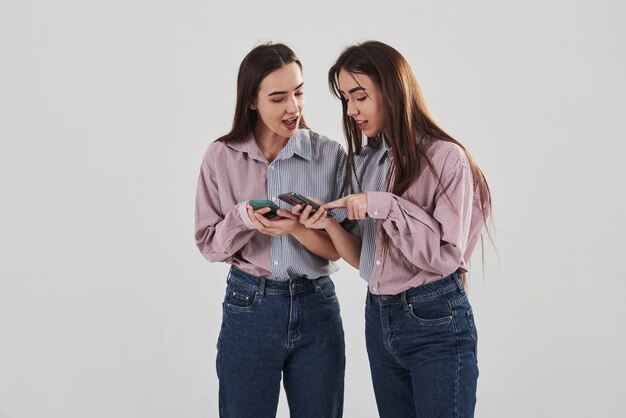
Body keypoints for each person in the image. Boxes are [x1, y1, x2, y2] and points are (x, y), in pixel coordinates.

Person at [295, 40, 492, 418]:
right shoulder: (365, 161)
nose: (351, 110)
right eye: (345, 100)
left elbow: (446, 256)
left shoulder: (445, 158)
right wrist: (330, 227)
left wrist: (382, 204)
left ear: (391, 90)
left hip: (435, 318)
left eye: (359, 97)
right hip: (380, 318)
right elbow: (365, 259)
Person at [194, 43, 347, 418]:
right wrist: (244, 217)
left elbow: (339, 249)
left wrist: (296, 227)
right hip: (250, 308)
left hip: (317, 306)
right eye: (278, 98)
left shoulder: (330, 155)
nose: (293, 107)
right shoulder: (221, 156)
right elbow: (210, 245)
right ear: (251, 101)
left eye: (298, 92)